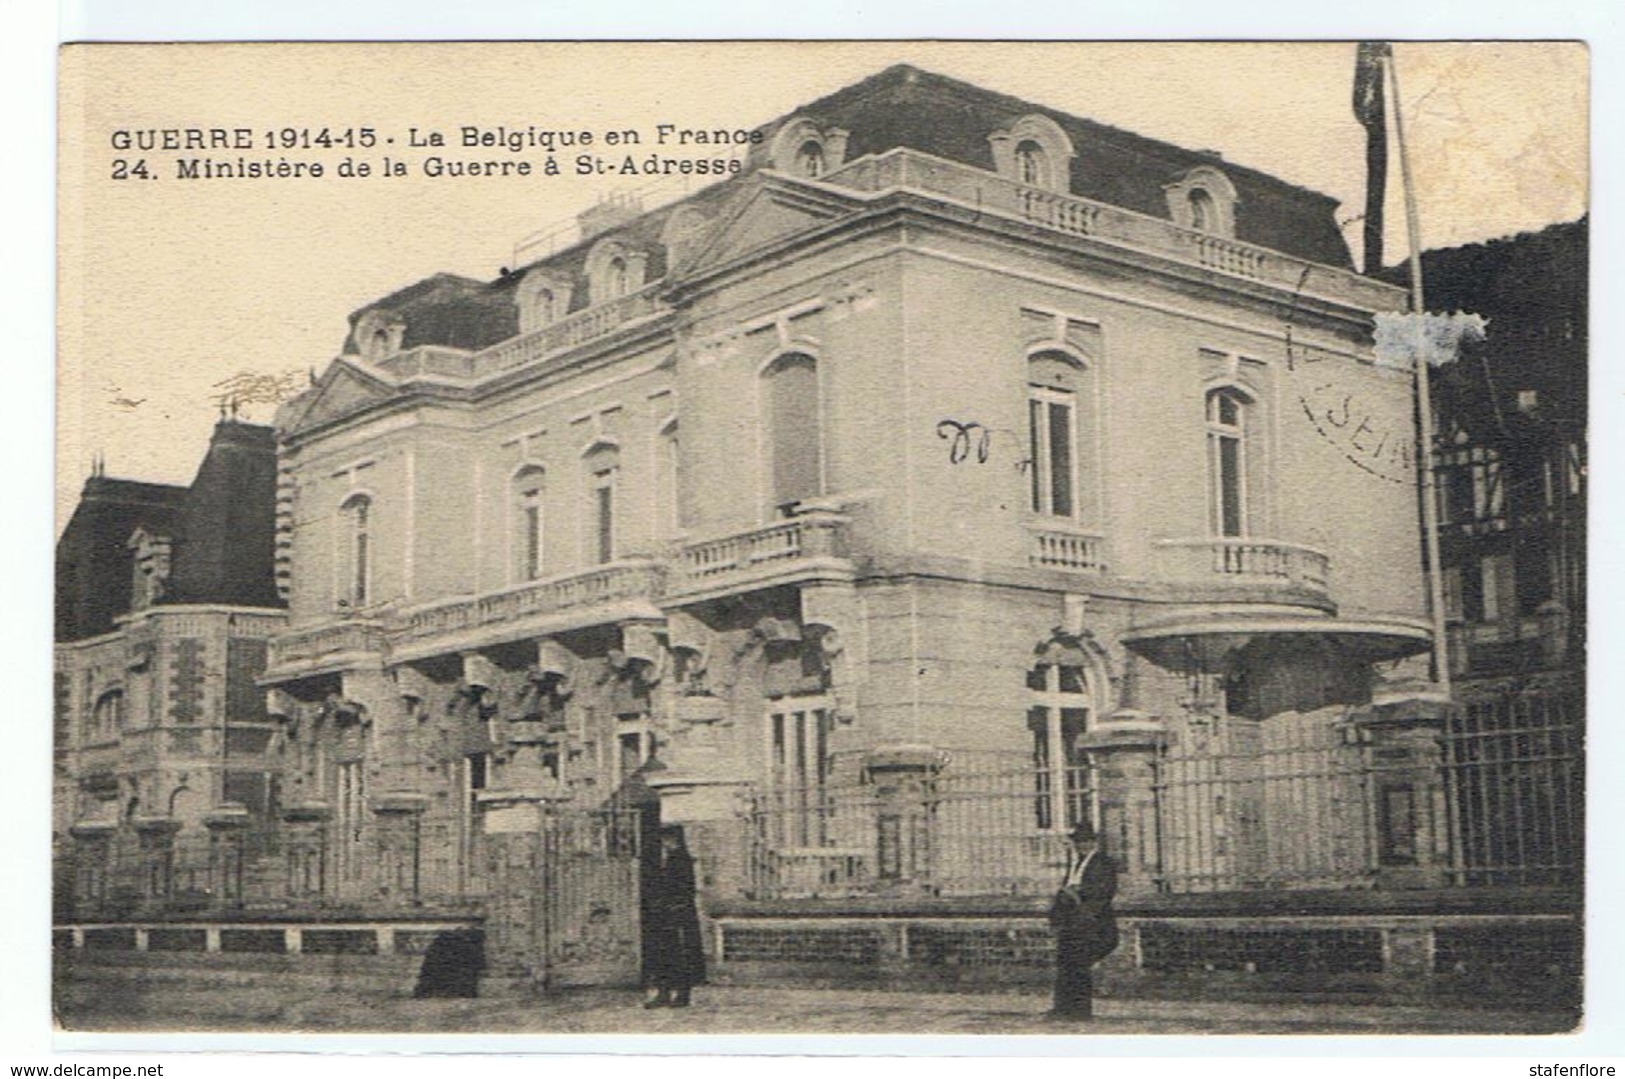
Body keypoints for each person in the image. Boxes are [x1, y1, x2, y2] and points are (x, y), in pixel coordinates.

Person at [1047, 819, 1119, 1020]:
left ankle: (1080, 1010)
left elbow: (1105, 891)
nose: (1082, 846)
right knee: (1065, 964)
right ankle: (1062, 1008)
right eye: (1078, 842)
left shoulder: (1103, 862)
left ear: (1094, 842)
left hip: (1093, 923)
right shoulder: (1075, 863)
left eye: (1086, 841)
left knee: (1079, 965)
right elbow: (1065, 889)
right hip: (1071, 922)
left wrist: (1078, 892)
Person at [641, 824, 706, 1008]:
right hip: (664, 915)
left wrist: (674, 906)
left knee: (681, 954)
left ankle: (682, 994)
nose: (665, 843)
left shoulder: (682, 860)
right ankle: (663, 993)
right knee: (662, 953)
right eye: (663, 839)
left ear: (676, 839)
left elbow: (687, 890)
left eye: (668, 839)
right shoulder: (665, 859)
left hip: (679, 917)